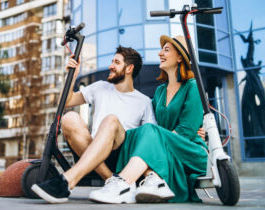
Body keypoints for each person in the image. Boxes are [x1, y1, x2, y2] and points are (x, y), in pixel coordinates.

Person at [89, 35, 208, 204]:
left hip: (189, 151)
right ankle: (153, 180)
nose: (160, 53)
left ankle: (123, 183)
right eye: (161, 49)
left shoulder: (193, 87)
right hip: (164, 148)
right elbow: (152, 126)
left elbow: (186, 131)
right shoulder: (160, 91)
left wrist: (158, 142)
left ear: (180, 57)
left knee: (150, 131)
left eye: (166, 50)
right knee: (137, 132)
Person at [31, 46, 157, 203]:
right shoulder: (100, 87)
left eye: (116, 62)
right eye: (112, 61)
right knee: (69, 117)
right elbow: (66, 102)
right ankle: (112, 180)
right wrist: (72, 76)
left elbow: (149, 138)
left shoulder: (144, 102)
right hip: (90, 150)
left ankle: (68, 181)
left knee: (111, 120)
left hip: (120, 157)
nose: (111, 65)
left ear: (129, 68)